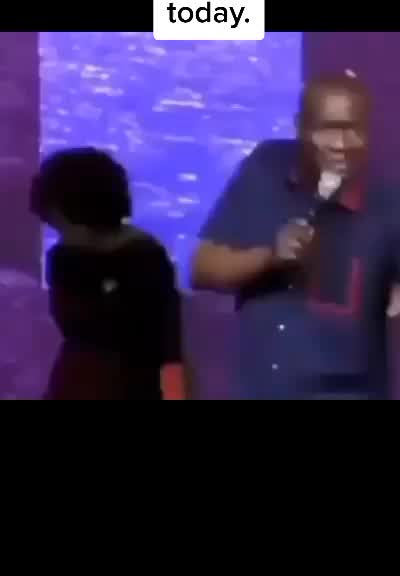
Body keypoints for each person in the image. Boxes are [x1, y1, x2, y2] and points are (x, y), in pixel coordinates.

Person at [191, 74, 400, 400]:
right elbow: (202, 269)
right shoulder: (265, 169)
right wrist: (270, 258)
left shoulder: (388, 205)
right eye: (328, 129)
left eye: (353, 130)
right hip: (261, 390)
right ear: (301, 127)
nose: (341, 144)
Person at [30, 148, 186, 401]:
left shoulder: (145, 259)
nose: (62, 235)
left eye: (62, 223)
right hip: (76, 383)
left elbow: (166, 343)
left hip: (131, 386)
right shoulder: (65, 257)